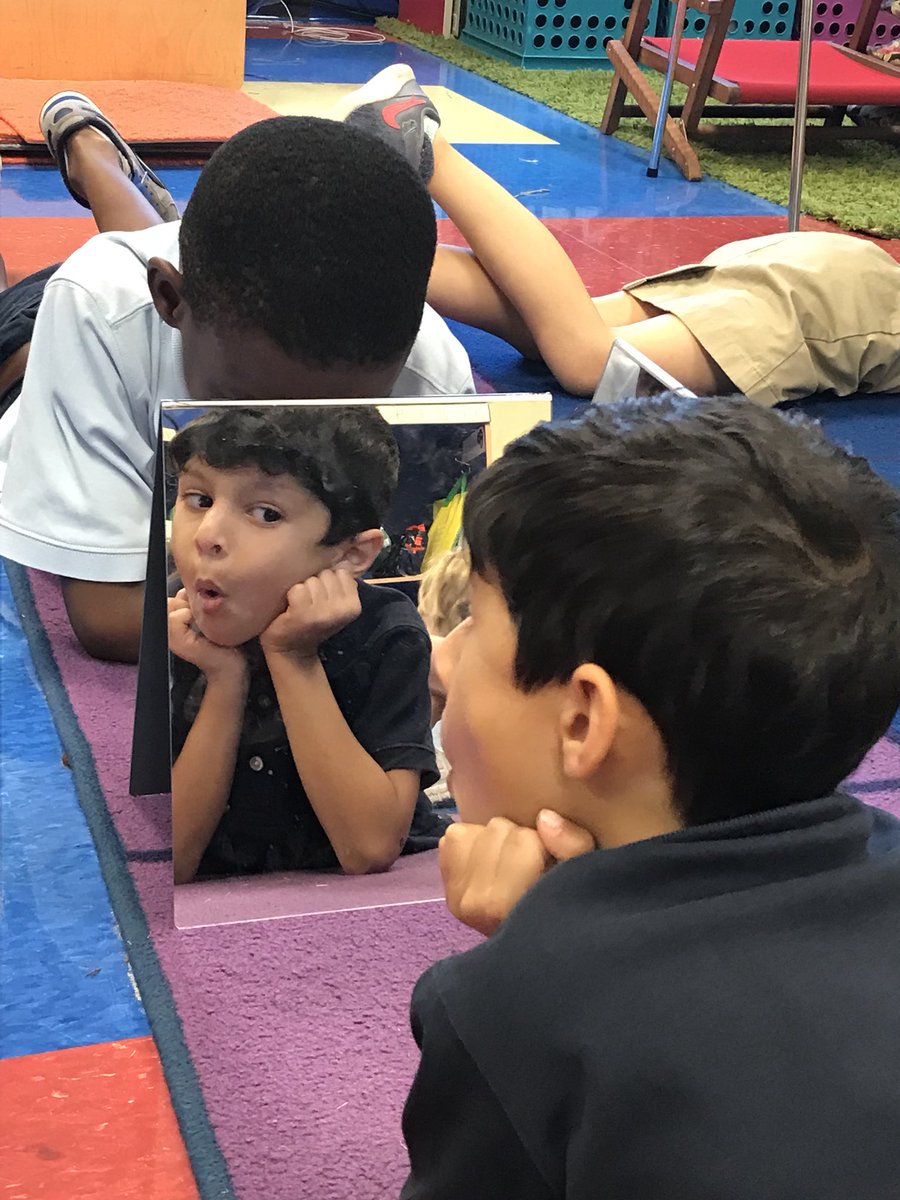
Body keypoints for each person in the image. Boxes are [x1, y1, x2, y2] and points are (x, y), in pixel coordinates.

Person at [399, 395, 900, 1199]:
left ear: (584, 719)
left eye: (474, 628)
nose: (445, 661)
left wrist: (531, 957)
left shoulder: (507, 1008)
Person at [0, 87, 474, 664]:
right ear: (170, 301)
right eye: (243, 403)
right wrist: (320, 631)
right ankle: (90, 152)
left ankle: (96, 151)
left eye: (334, 412)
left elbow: (447, 601)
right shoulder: (96, 309)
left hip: (192, 286)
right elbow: (107, 617)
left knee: (165, 243)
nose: (280, 444)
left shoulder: (429, 371)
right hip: (29, 360)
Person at [166, 404, 448, 883]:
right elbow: (170, 861)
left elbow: (369, 848)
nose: (208, 535)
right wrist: (224, 680)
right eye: (198, 499)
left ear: (351, 554)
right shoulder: (180, 625)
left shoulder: (386, 633)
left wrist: (293, 658)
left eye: (265, 513)